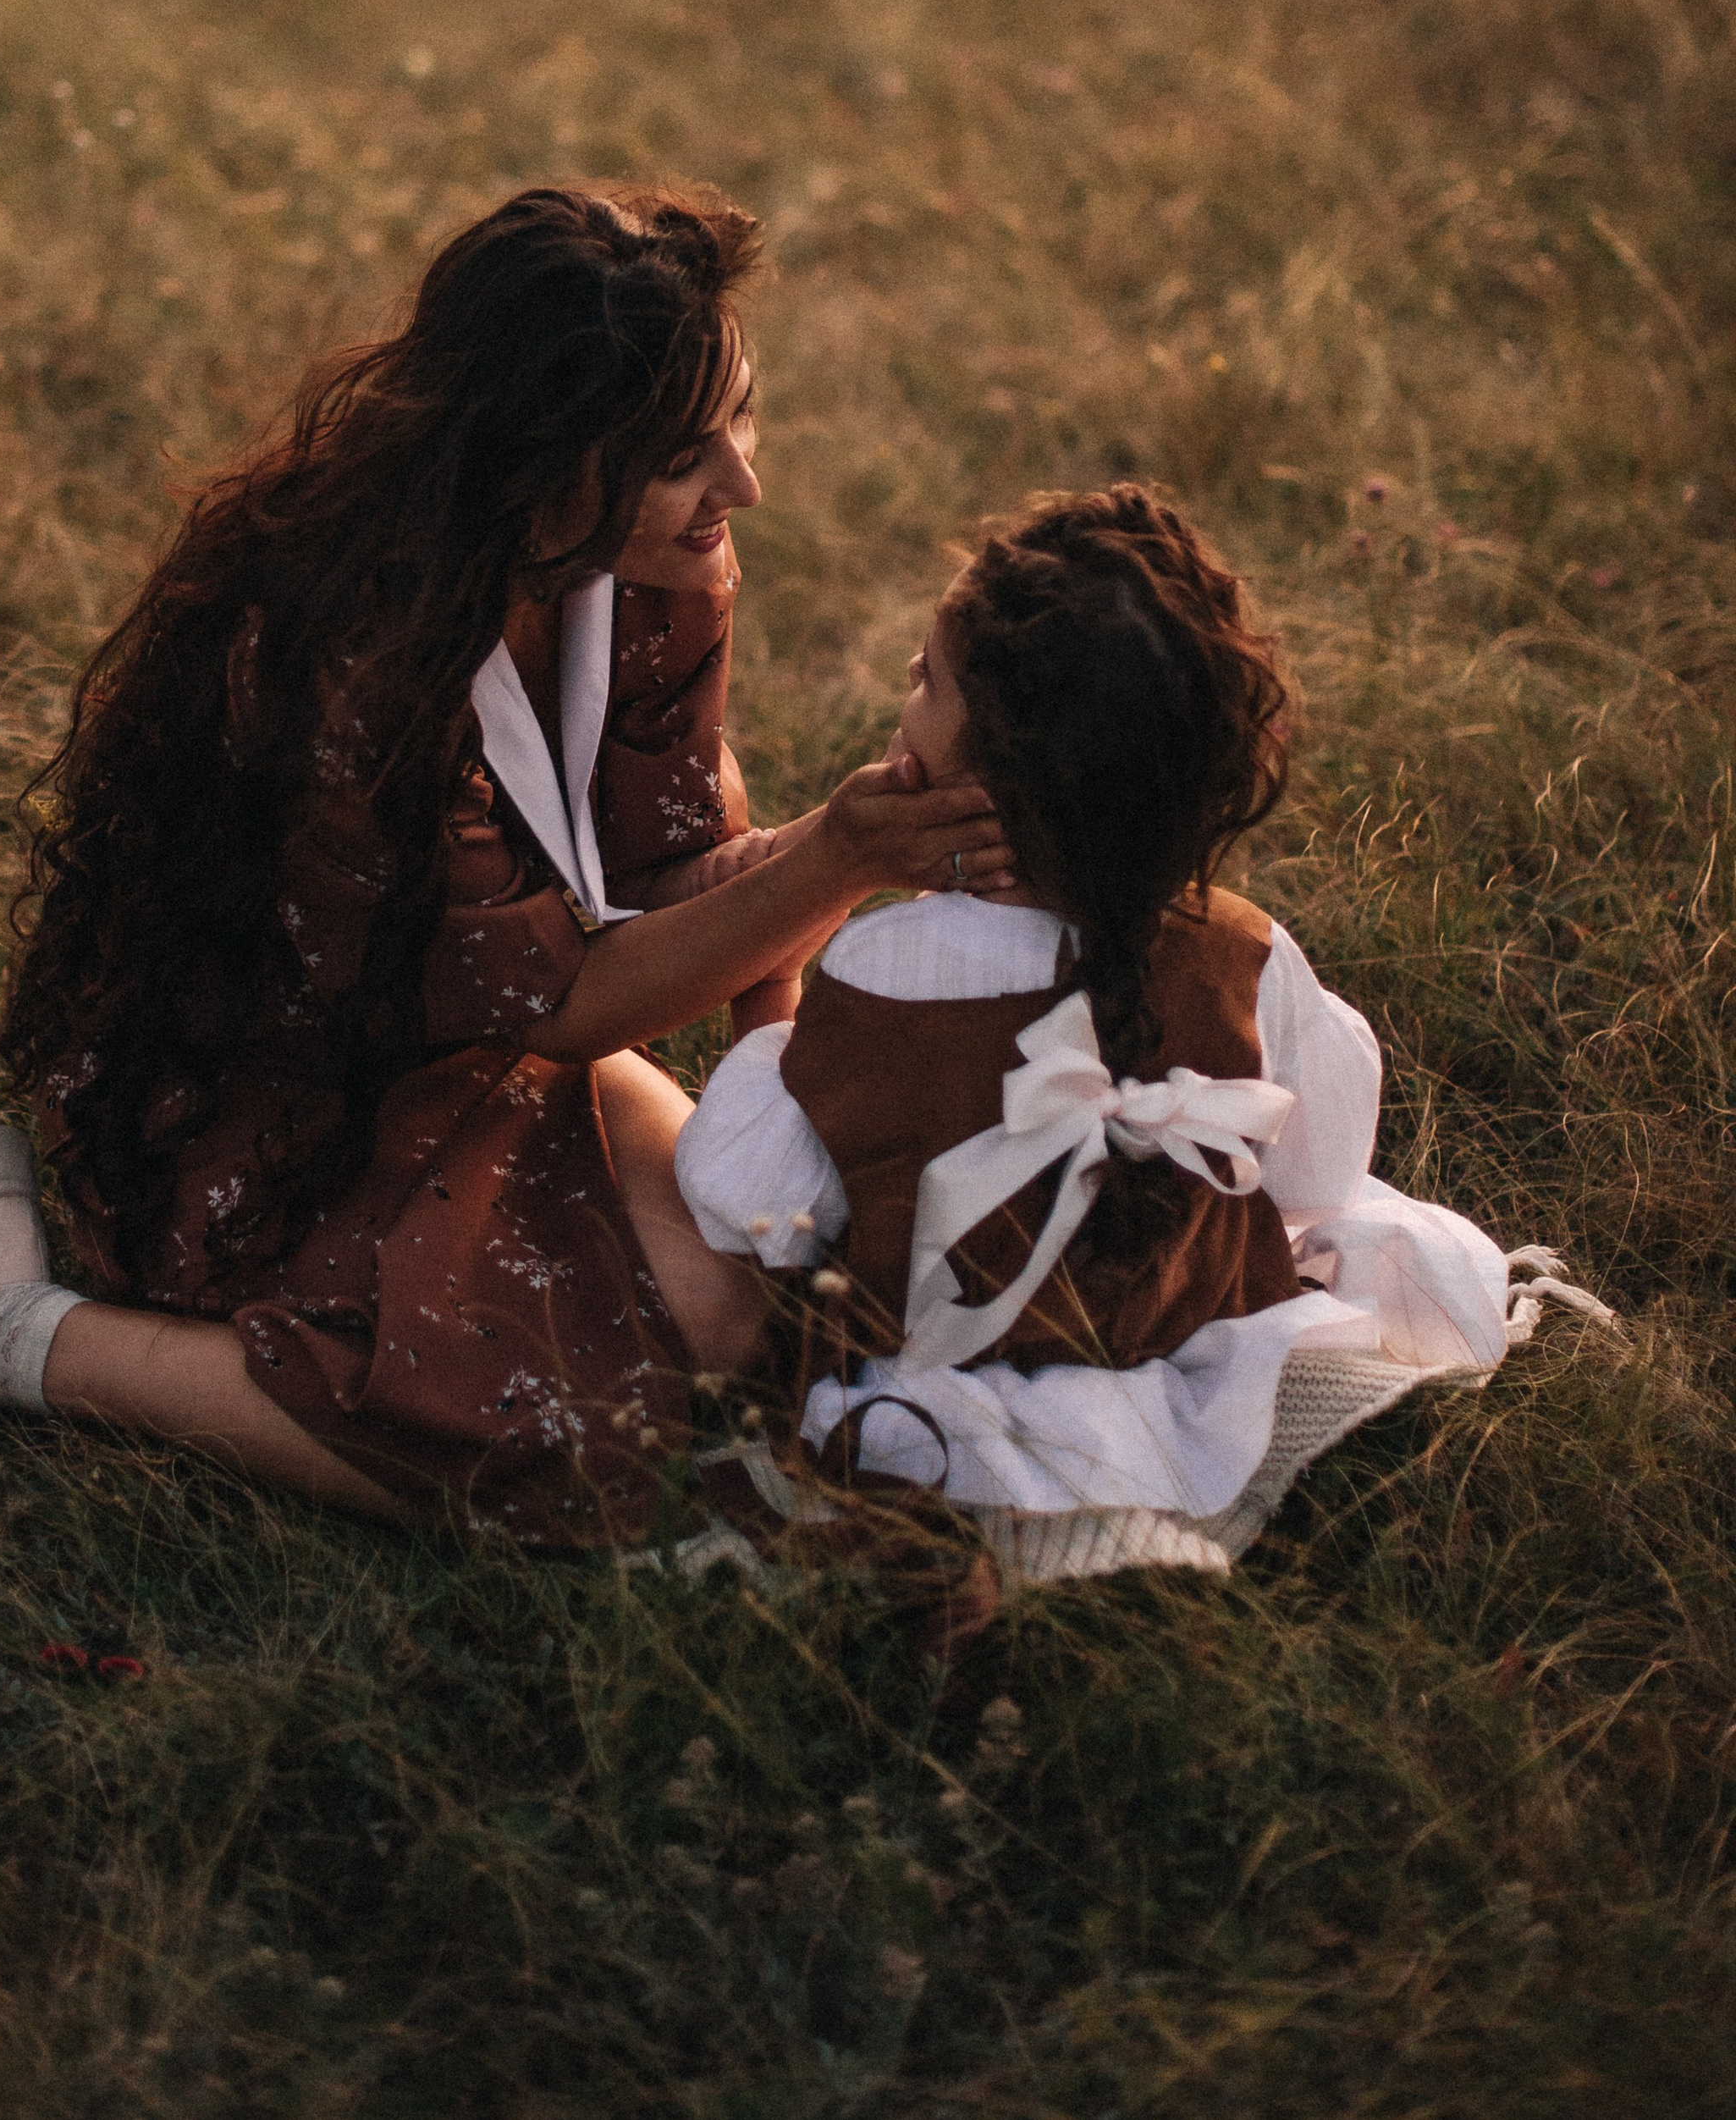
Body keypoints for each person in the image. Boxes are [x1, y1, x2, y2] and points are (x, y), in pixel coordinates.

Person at [0, 183, 1011, 1543]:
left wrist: (817, 1001)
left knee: (737, 1316)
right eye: (682, 454)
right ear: (544, 458)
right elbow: (568, 1002)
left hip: (474, 1032)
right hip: (265, 1080)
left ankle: (26, 1282)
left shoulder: (656, 558)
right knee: (568, 1451)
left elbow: (669, 871)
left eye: (740, 420)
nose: (742, 484)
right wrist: (843, 854)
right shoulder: (361, 654)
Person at [676, 484, 1610, 1580]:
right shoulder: (1242, 953)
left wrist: (771, 1000)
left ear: (995, 776)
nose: (907, 684)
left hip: (939, 1399)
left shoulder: (873, 979)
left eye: (927, 680)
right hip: (1194, 1345)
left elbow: (747, 1204)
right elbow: (1320, 1170)